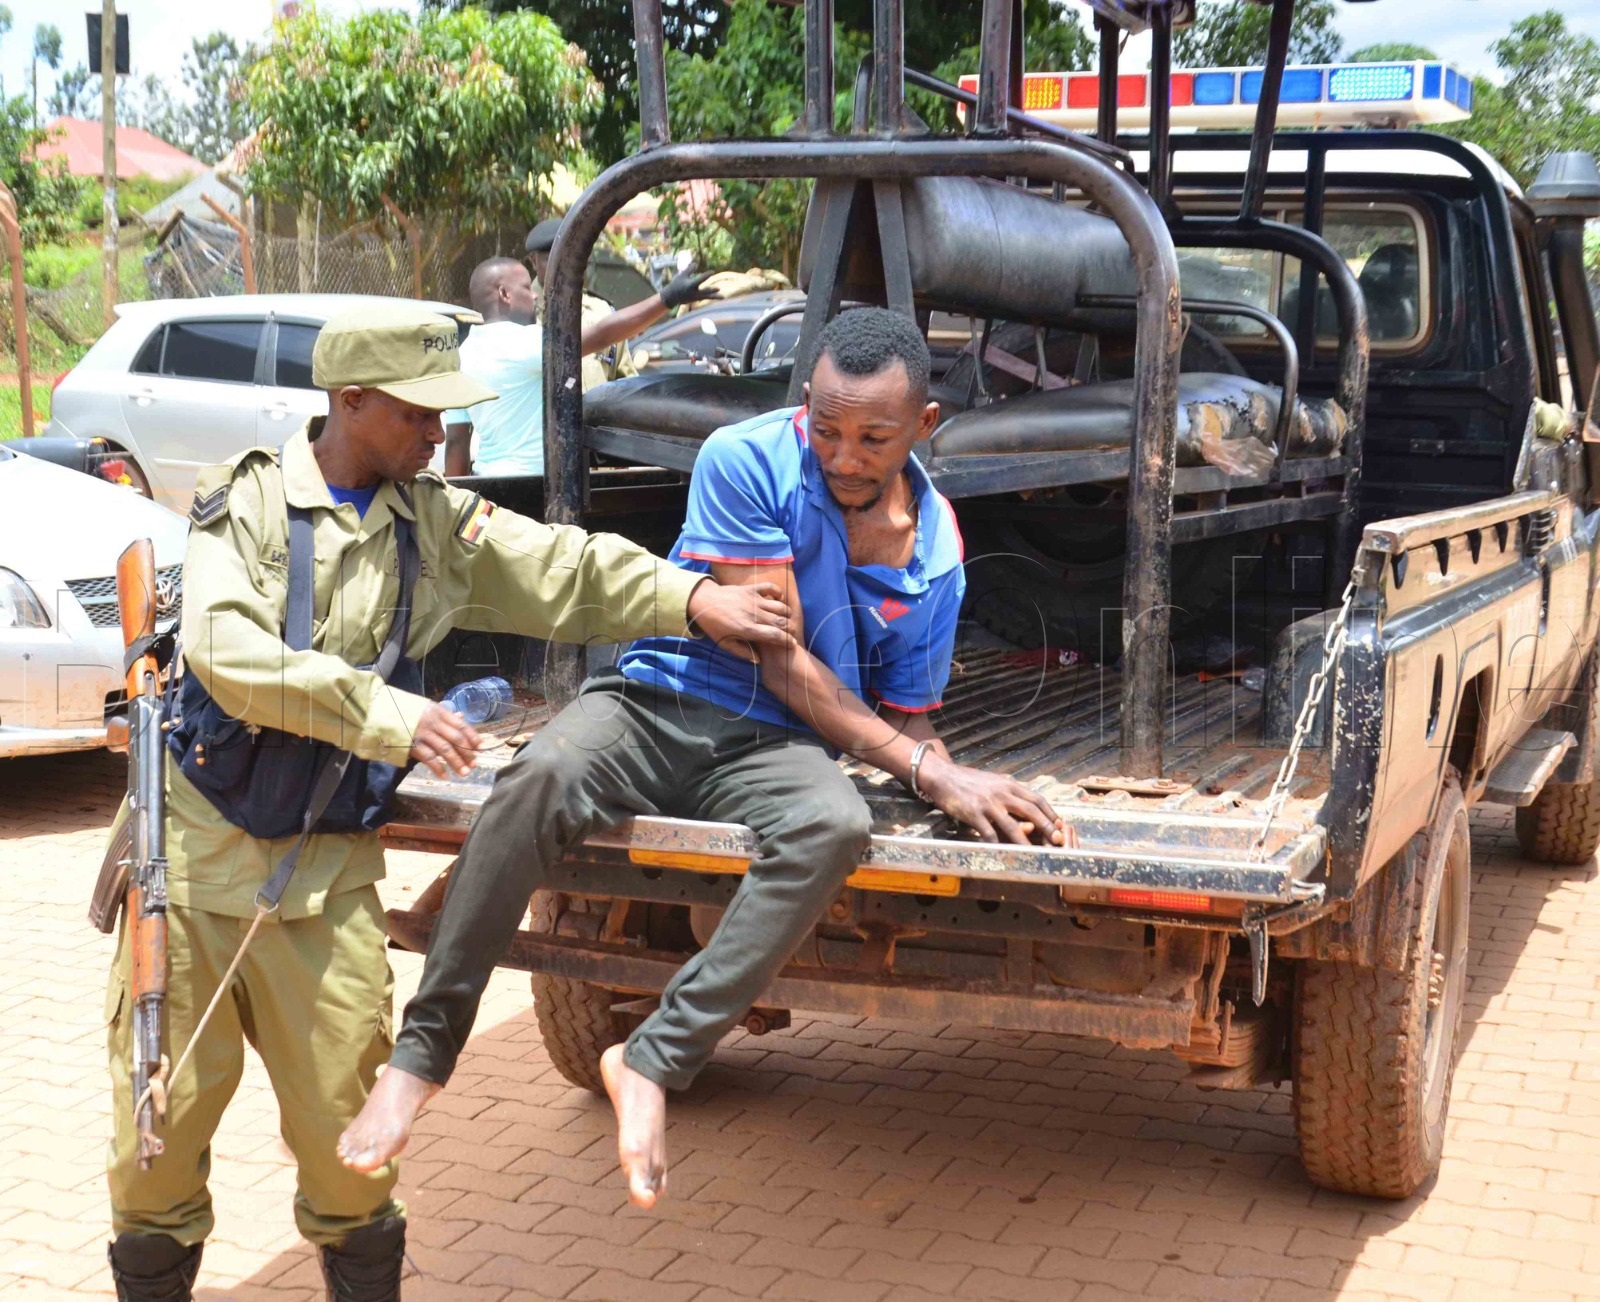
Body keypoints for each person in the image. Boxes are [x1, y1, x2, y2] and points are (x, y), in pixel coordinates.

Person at [100, 303, 790, 1302]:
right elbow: (228, 657)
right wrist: (389, 716)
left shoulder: (430, 523)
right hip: (196, 876)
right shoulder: (240, 505)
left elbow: (564, 570)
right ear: (350, 402)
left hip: (327, 881)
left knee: (356, 1156)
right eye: (419, 414)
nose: (438, 434)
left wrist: (689, 599)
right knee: (154, 1146)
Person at [338, 308, 1068, 1211]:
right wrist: (929, 772)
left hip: (780, 747)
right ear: (806, 405)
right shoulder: (744, 458)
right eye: (827, 429)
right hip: (661, 702)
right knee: (538, 778)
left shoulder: (941, 550)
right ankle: (423, 1055)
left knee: (833, 822)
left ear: (923, 427)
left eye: (873, 438)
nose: (843, 455)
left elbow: (908, 717)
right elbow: (776, 648)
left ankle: (651, 1059)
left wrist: (959, 785)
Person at [441, 254, 720, 477]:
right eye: (527, 288)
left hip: (489, 481)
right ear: (504, 294)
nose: (535, 296)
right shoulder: (522, 342)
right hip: (534, 486)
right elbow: (600, 335)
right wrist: (666, 299)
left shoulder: (462, 355)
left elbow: (456, 442)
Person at [523, 215, 720, 391]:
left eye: (574, 257)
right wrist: (666, 298)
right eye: (552, 258)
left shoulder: (600, 311)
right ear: (533, 260)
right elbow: (600, 336)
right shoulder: (520, 314)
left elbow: (625, 383)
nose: (565, 266)